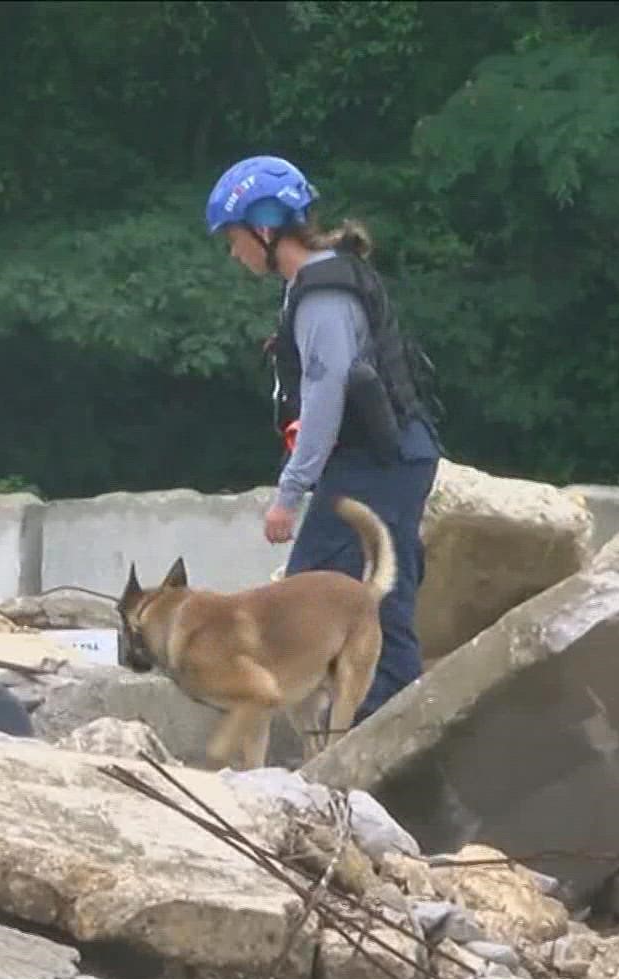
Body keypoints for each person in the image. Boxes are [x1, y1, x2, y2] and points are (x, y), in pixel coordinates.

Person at [205, 154, 442, 719]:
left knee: (334, 605)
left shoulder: (323, 295)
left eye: (233, 237)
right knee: (374, 598)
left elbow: (326, 394)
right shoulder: (316, 280)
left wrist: (289, 495)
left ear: (264, 229)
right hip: (383, 460)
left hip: (376, 464)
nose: (233, 252)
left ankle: (373, 743)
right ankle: (376, 736)